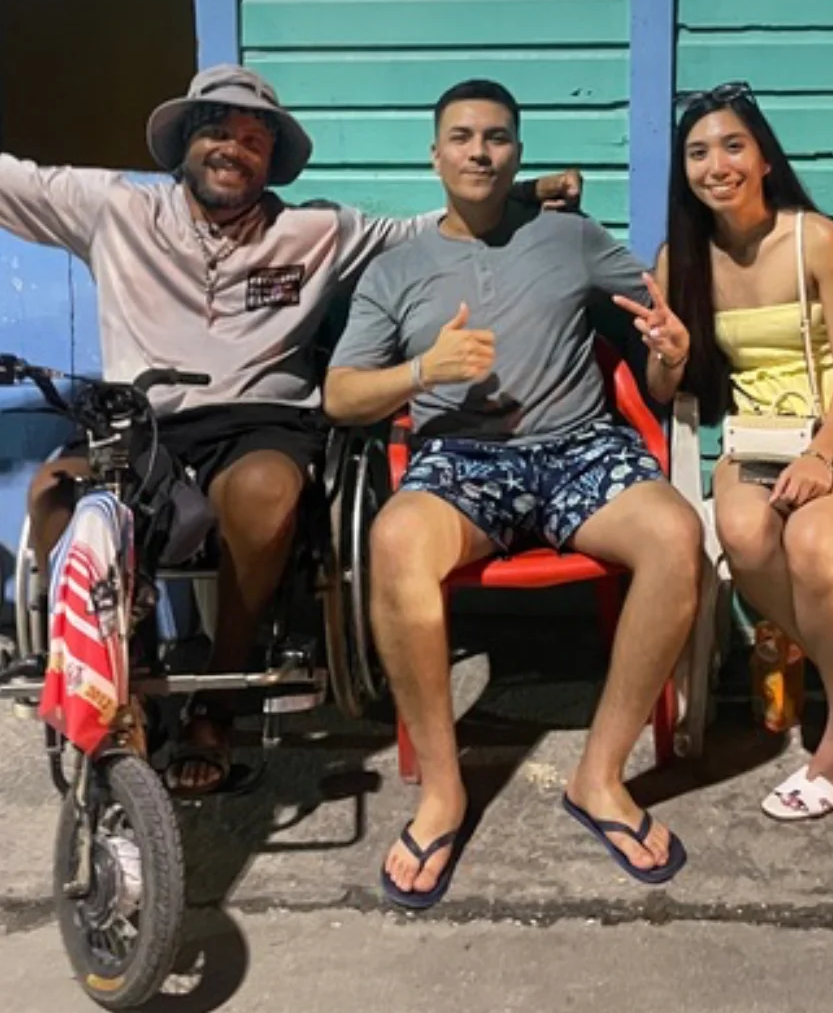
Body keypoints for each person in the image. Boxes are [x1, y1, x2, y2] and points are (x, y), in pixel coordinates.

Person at [5, 63, 580, 794]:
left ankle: (217, 696)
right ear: (184, 141)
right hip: (144, 423)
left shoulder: (315, 232)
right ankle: (122, 683)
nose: (233, 147)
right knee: (56, 494)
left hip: (262, 423)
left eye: (253, 139)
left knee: (267, 491)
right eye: (217, 129)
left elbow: (430, 229)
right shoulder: (112, 209)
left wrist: (523, 191)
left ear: (271, 161)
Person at [324, 79, 702, 908]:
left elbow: (657, 332)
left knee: (676, 537)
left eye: (496, 137)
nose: (479, 151)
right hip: (462, 459)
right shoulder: (397, 270)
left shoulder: (570, 237)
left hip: (578, 450)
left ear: (517, 154)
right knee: (393, 542)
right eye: (461, 137)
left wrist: (670, 353)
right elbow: (340, 396)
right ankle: (442, 794)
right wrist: (424, 371)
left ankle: (600, 779)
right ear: (435, 155)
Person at [634, 82, 833, 822]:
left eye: (732, 146)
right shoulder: (685, 258)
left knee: (809, 541)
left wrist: (823, 458)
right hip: (757, 439)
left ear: (763, 157)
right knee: (741, 532)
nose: (716, 165)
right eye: (698, 152)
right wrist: (671, 355)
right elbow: (663, 384)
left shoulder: (814, 238)